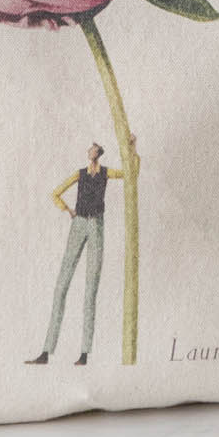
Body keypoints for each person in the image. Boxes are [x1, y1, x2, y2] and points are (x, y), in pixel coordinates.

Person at [28, 138, 131, 365]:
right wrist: (68, 210)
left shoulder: (106, 173)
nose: (89, 149)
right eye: (89, 147)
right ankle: (46, 350)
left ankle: (84, 353)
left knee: (91, 287)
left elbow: (131, 173)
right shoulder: (80, 173)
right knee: (62, 284)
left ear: (98, 152)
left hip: (96, 226)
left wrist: (133, 149)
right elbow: (55, 193)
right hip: (79, 224)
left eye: (92, 147)